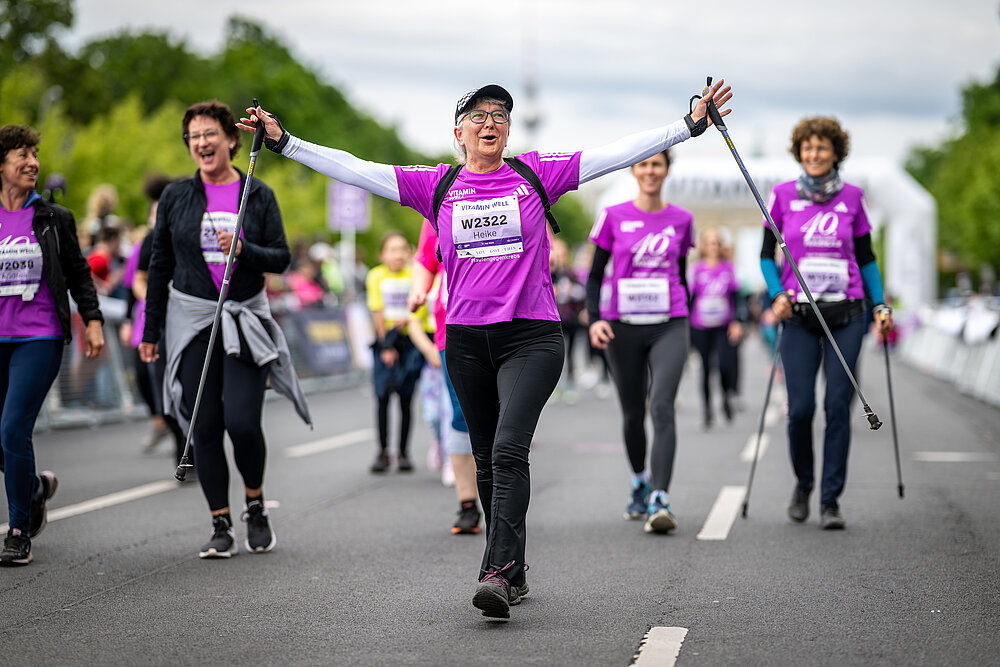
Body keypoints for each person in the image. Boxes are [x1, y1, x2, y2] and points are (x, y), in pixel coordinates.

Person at [239, 78, 732, 618]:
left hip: (532, 336)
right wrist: (287, 142)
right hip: (466, 341)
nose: (490, 122)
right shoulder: (437, 185)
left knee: (507, 450)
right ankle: (514, 569)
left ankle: (494, 573)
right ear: (459, 133)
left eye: (499, 114)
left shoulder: (534, 173)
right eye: (478, 115)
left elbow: (615, 154)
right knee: (485, 460)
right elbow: (357, 169)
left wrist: (687, 126)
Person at [140, 100, 310, 559]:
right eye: (193, 136)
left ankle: (255, 505)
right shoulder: (176, 197)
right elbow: (160, 265)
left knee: (240, 420)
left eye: (210, 133)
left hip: (244, 319)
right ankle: (220, 523)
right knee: (205, 425)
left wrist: (244, 248)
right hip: (193, 320)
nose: (202, 143)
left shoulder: (258, 193)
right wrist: (150, 330)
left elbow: (280, 258)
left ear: (232, 140)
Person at [759, 116, 893, 530]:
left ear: (836, 153)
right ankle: (804, 483)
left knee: (838, 406)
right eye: (808, 148)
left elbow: (867, 258)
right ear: (799, 153)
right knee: (800, 410)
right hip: (799, 317)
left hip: (846, 314)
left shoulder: (853, 197)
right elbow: (767, 256)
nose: (814, 155)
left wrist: (881, 305)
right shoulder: (781, 196)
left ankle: (831, 500)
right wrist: (777, 294)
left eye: (822, 148)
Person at [0, 124, 105, 566]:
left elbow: (79, 272)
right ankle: (36, 488)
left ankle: (19, 530)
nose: (32, 162)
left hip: (39, 336)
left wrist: (94, 319)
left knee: (12, 428)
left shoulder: (52, 218)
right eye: (21, 154)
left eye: (35, 153)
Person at [586, 149, 693, 535]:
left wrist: (686, 324)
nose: (650, 170)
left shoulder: (682, 219)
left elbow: (681, 275)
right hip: (623, 326)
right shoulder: (614, 216)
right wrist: (596, 319)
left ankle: (660, 496)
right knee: (633, 411)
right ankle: (639, 481)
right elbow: (595, 275)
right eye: (644, 164)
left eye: (657, 164)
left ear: (666, 170)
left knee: (662, 405)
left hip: (670, 323)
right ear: (634, 169)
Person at [408, 219, 481, 535]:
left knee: (502, 415)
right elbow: (425, 258)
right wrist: (418, 290)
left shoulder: (518, 188)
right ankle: (468, 503)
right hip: (452, 325)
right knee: (462, 413)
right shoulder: (441, 198)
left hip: (510, 323)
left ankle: (501, 498)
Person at [122, 174, 187, 461]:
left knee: (190, 387)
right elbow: (136, 281)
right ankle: (177, 436)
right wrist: (153, 300)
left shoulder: (192, 233)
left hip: (190, 321)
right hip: (156, 323)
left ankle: (192, 444)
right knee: (160, 389)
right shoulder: (150, 240)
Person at [365, 231, 424, 473]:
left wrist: (406, 325)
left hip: (409, 340)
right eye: (392, 249)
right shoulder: (376, 275)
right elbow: (376, 310)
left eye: (402, 249)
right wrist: (386, 346)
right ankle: (383, 452)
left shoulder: (414, 276)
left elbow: (418, 310)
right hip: (385, 339)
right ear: (382, 254)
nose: (398, 255)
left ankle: (403, 452)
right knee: (382, 397)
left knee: (406, 398)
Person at [689, 227, 743, 429]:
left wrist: (738, 321)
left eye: (716, 243)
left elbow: (737, 297)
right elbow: (690, 299)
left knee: (724, 365)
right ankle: (707, 410)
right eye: (709, 242)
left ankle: (727, 397)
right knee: (705, 368)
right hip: (701, 326)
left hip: (723, 326)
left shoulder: (728, 268)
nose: (713, 247)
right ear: (703, 246)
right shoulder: (695, 269)